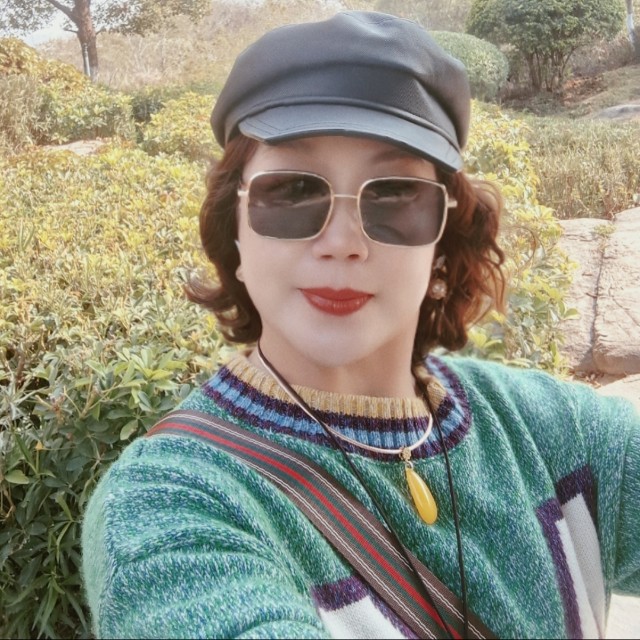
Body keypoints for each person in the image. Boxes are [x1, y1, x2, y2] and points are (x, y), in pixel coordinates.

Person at [81, 11, 640, 639]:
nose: (342, 241)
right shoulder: (175, 504)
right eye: (293, 190)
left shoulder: (557, 436)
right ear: (232, 229)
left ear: (442, 238)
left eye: (394, 194)